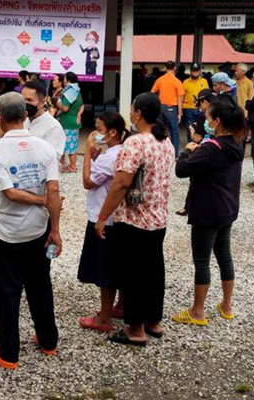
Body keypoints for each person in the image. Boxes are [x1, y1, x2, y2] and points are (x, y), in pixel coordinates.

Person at [0, 92, 62, 370]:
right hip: (39, 229)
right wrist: (56, 230)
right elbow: (53, 190)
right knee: (40, 285)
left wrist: (42, 202)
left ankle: (8, 354)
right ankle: (48, 341)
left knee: (8, 291)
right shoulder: (45, 148)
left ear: (0, 118)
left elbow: (9, 193)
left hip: (8, 233)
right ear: (26, 116)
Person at [95, 92, 175, 346]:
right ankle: (154, 321)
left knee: (133, 275)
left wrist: (103, 216)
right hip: (158, 217)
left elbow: (121, 183)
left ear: (138, 113)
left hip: (134, 218)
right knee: (153, 271)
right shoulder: (166, 141)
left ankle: (136, 329)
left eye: (132, 109)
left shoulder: (136, 142)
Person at [172, 100, 246, 327]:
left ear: (217, 122)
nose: (205, 120)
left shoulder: (211, 148)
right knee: (224, 255)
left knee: (202, 261)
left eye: (207, 116)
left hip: (207, 210)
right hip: (228, 208)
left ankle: (197, 311)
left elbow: (181, 170)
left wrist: (187, 151)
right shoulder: (236, 143)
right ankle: (226, 305)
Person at [77, 112, 127, 333]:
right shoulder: (125, 152)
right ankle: (121, 306)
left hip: (103, 217)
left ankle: (104, 318)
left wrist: (87, 153)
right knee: (120, 266)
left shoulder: (109, 157)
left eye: (99, 129)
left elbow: (88, 182)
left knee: (106, 269)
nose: (95, 134)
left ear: (112, 132)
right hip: (122, 218)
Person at [176, 88, 216, 217]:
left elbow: (197, 138)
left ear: (204, 102)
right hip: (217, 150)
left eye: (200, 104)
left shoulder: (202, 117)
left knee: (195, 180)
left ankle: (188, 207)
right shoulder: (221, 112)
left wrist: (191, 130)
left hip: (202, 150)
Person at [22, 81, 66, 159]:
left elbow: (52, 158)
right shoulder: (22, 122)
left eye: (29, 100)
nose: (25, 103)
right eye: (23, 99)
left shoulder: (53, 127)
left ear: (42, 102)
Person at [151, 61, 185, 156]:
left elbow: (152, 93)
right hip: (171, 109)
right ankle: (174, 154)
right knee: (174, 132)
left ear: (165, 68)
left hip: (161, 107)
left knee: (158, 130)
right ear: (174, 68)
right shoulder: (177, 81)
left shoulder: (160, 80)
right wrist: (180, 113)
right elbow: (180, 98)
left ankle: (158, 152)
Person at [58, 72, 84, 172]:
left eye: (64, 78)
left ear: (68, 80)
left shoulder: (68, 92)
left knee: (69, 145)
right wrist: (78, 115)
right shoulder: (77, 91)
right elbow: (82, 105)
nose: (63, 80)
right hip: (74, 121)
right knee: (72, 144)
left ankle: (72, 167)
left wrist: (57, 104)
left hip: (67, 122)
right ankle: (64, 164)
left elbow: (65, 108)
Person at [182, 63, 209, 141]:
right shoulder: (186, 82)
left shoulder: (204, 81)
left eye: (196, 71)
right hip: (188, 108)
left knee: (201, 128)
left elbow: (207, 95)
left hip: (201, 109)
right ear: (190, 71)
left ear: (199, 71)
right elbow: (182, 96)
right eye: (193, 71)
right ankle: (190, 145)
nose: (195, 73)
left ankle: (199, 145)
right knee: (189, 128)